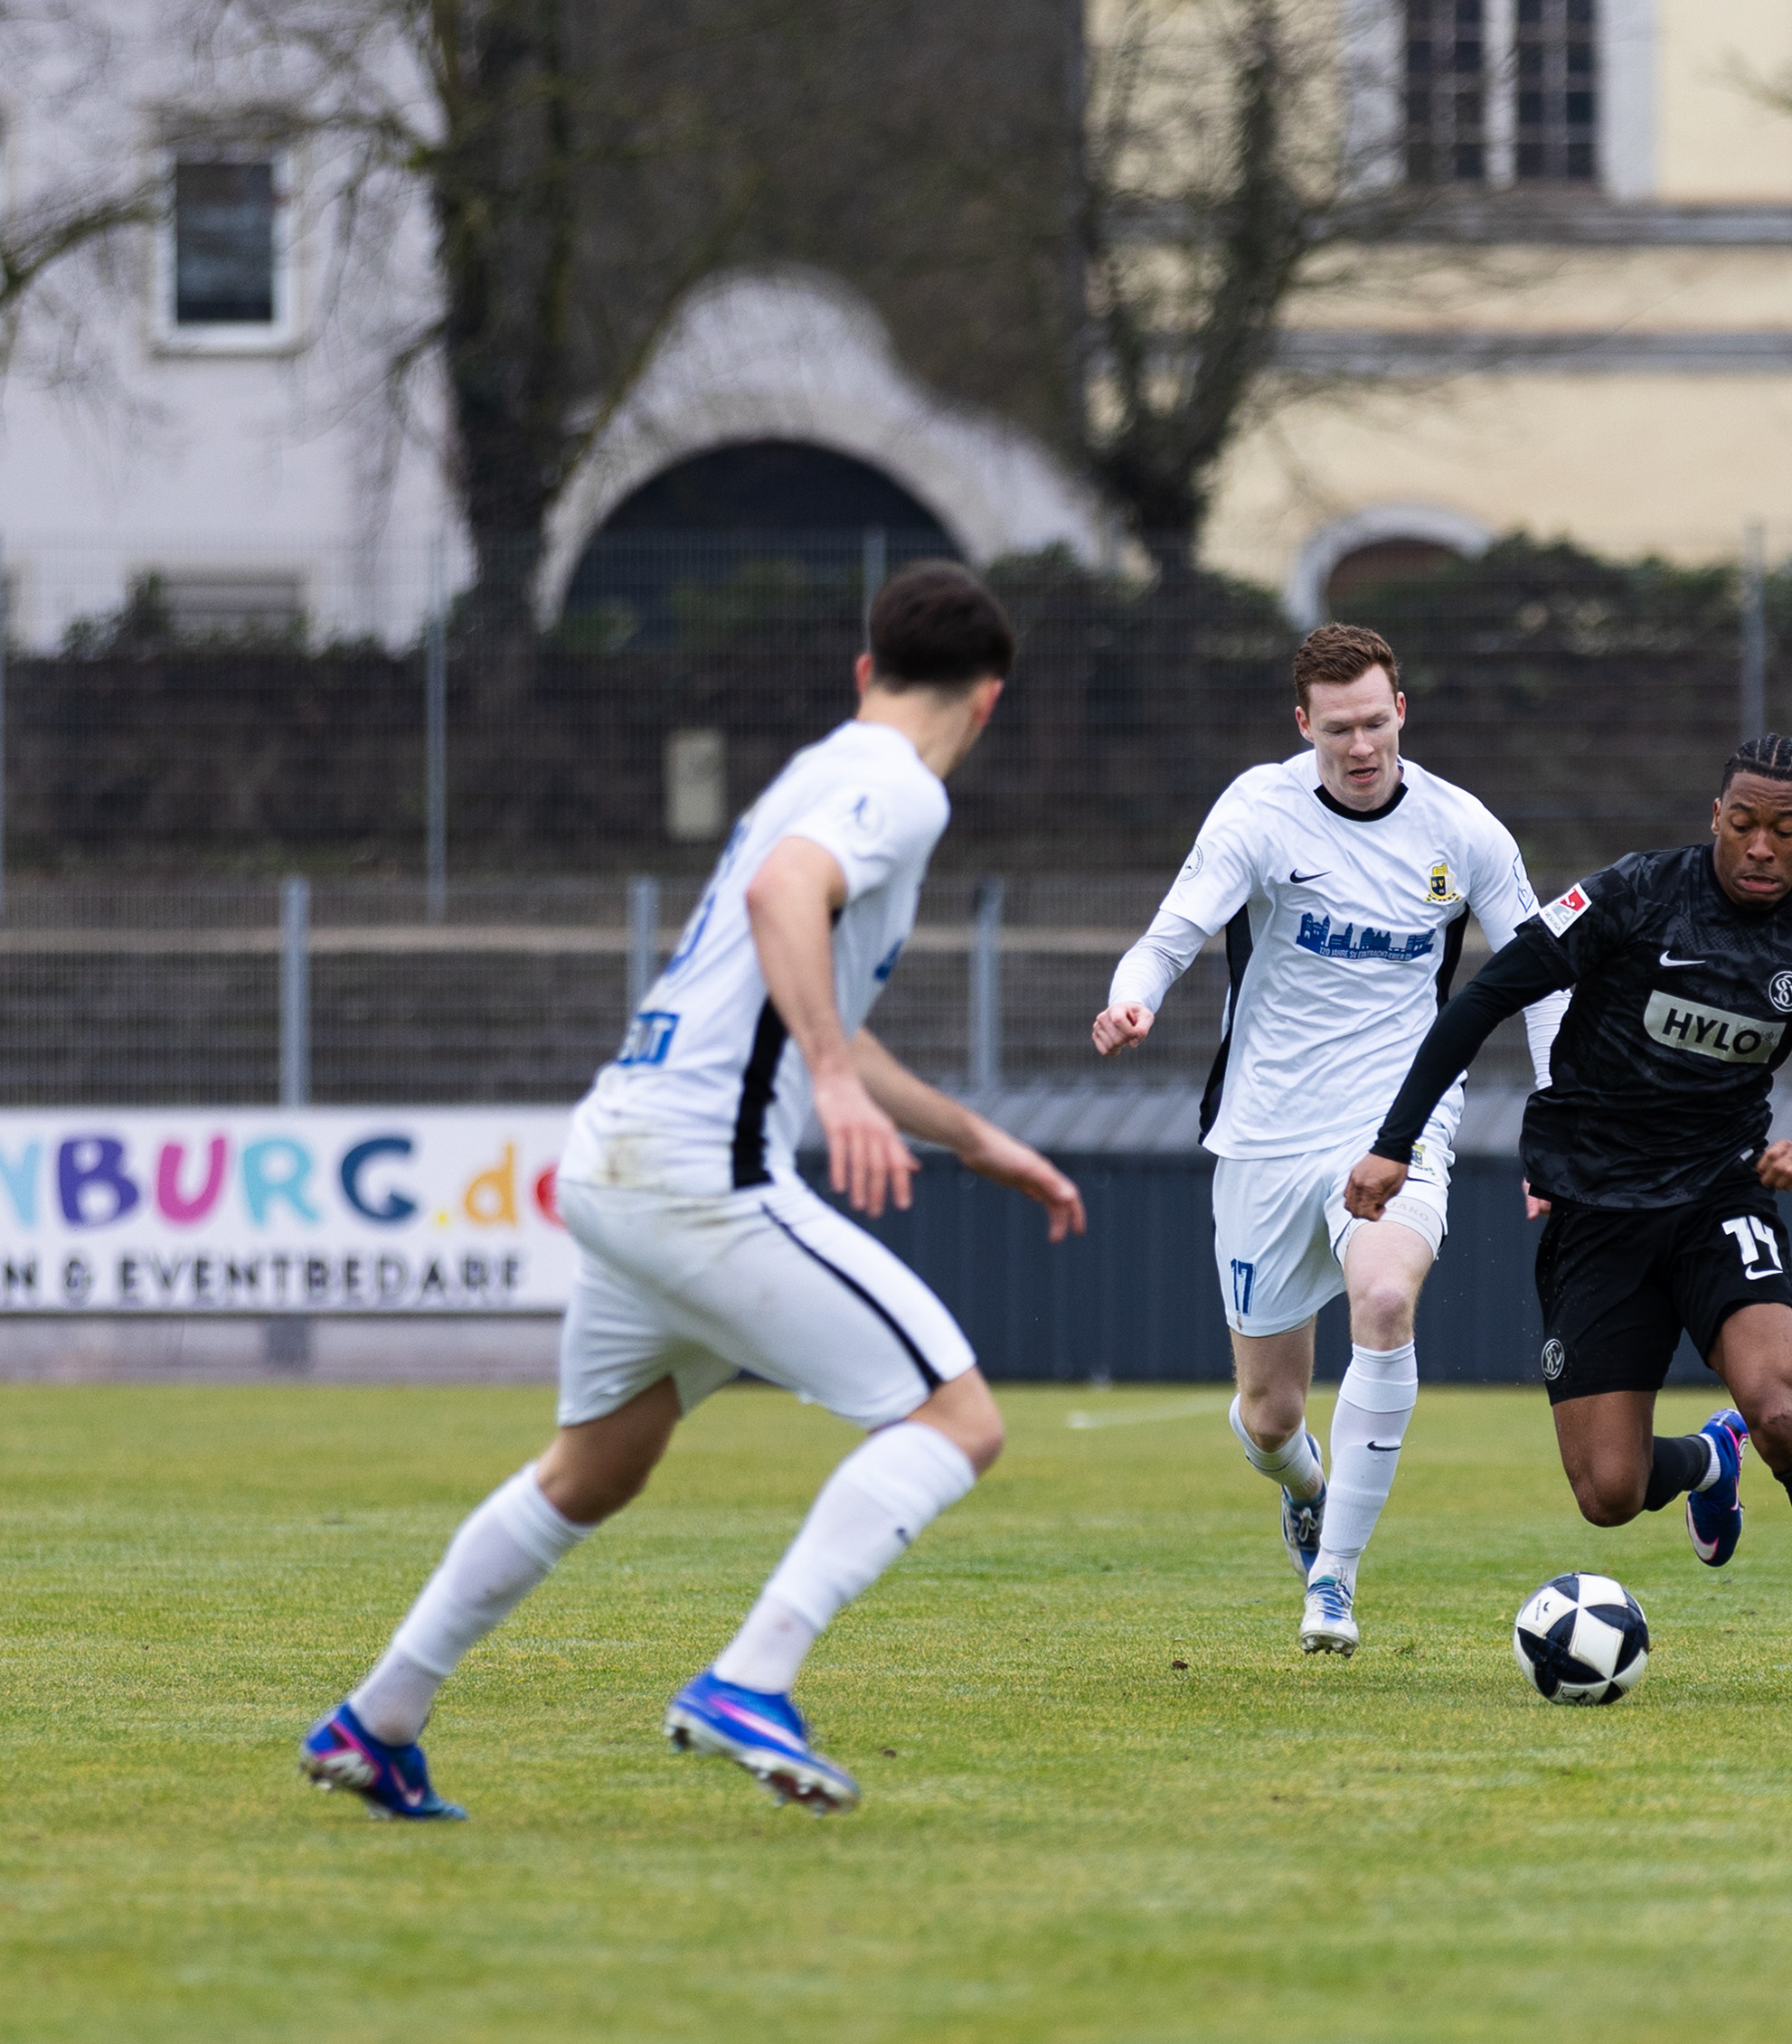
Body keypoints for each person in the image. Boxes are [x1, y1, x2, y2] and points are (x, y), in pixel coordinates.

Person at [301, 565, 1088, 1820]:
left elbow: (807, 971)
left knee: (595, 1468)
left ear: (863, 670)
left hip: (620, 1148)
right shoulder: (897, 787)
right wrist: (830, 1083)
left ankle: (378, 1719)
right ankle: (749, 1681)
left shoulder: (819, 769)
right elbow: (789, 904)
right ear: (988, 701)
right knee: (957, 1418)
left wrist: (971, 1138)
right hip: (695, 1167)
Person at [1346, 733, 1792, 1703]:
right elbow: (1485, 999)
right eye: (1743, 823)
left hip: (1719, 1199)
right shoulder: (1633, 894)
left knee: (1784, 1413)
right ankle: (1708, 1461)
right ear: (1715, 816)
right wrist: (1396, 1140)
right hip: (1595, 1209)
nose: (1759, 846)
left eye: (1784, 830)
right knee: (1610, 1495)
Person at [1090, 625, 1564, 1657]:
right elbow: (1170, 935)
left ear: (1405, 711)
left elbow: (1545, 976)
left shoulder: (1462, 828)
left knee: (1387, 1299)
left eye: (1377, 722)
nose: (1361, 746)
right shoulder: (1259, 812)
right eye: (1339, 728)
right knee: (1267, 1413)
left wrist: (1559, 1116)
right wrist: (1133, 1001)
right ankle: (1305, 1483)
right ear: (1302, 725)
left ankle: (1335, 1582)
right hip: (1264, 1133)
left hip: (1396, 1125)